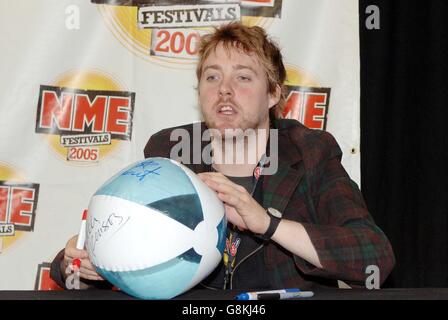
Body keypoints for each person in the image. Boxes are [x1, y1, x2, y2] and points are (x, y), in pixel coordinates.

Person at [50, 22, 395, 291]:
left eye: (243, 77)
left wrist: (268, 225)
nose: (225, 90)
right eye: (212, 76)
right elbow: (113, 247)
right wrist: (83, 265)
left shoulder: (309, 152)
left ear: (274, 94)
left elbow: (374, 258)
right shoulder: (170, 151)